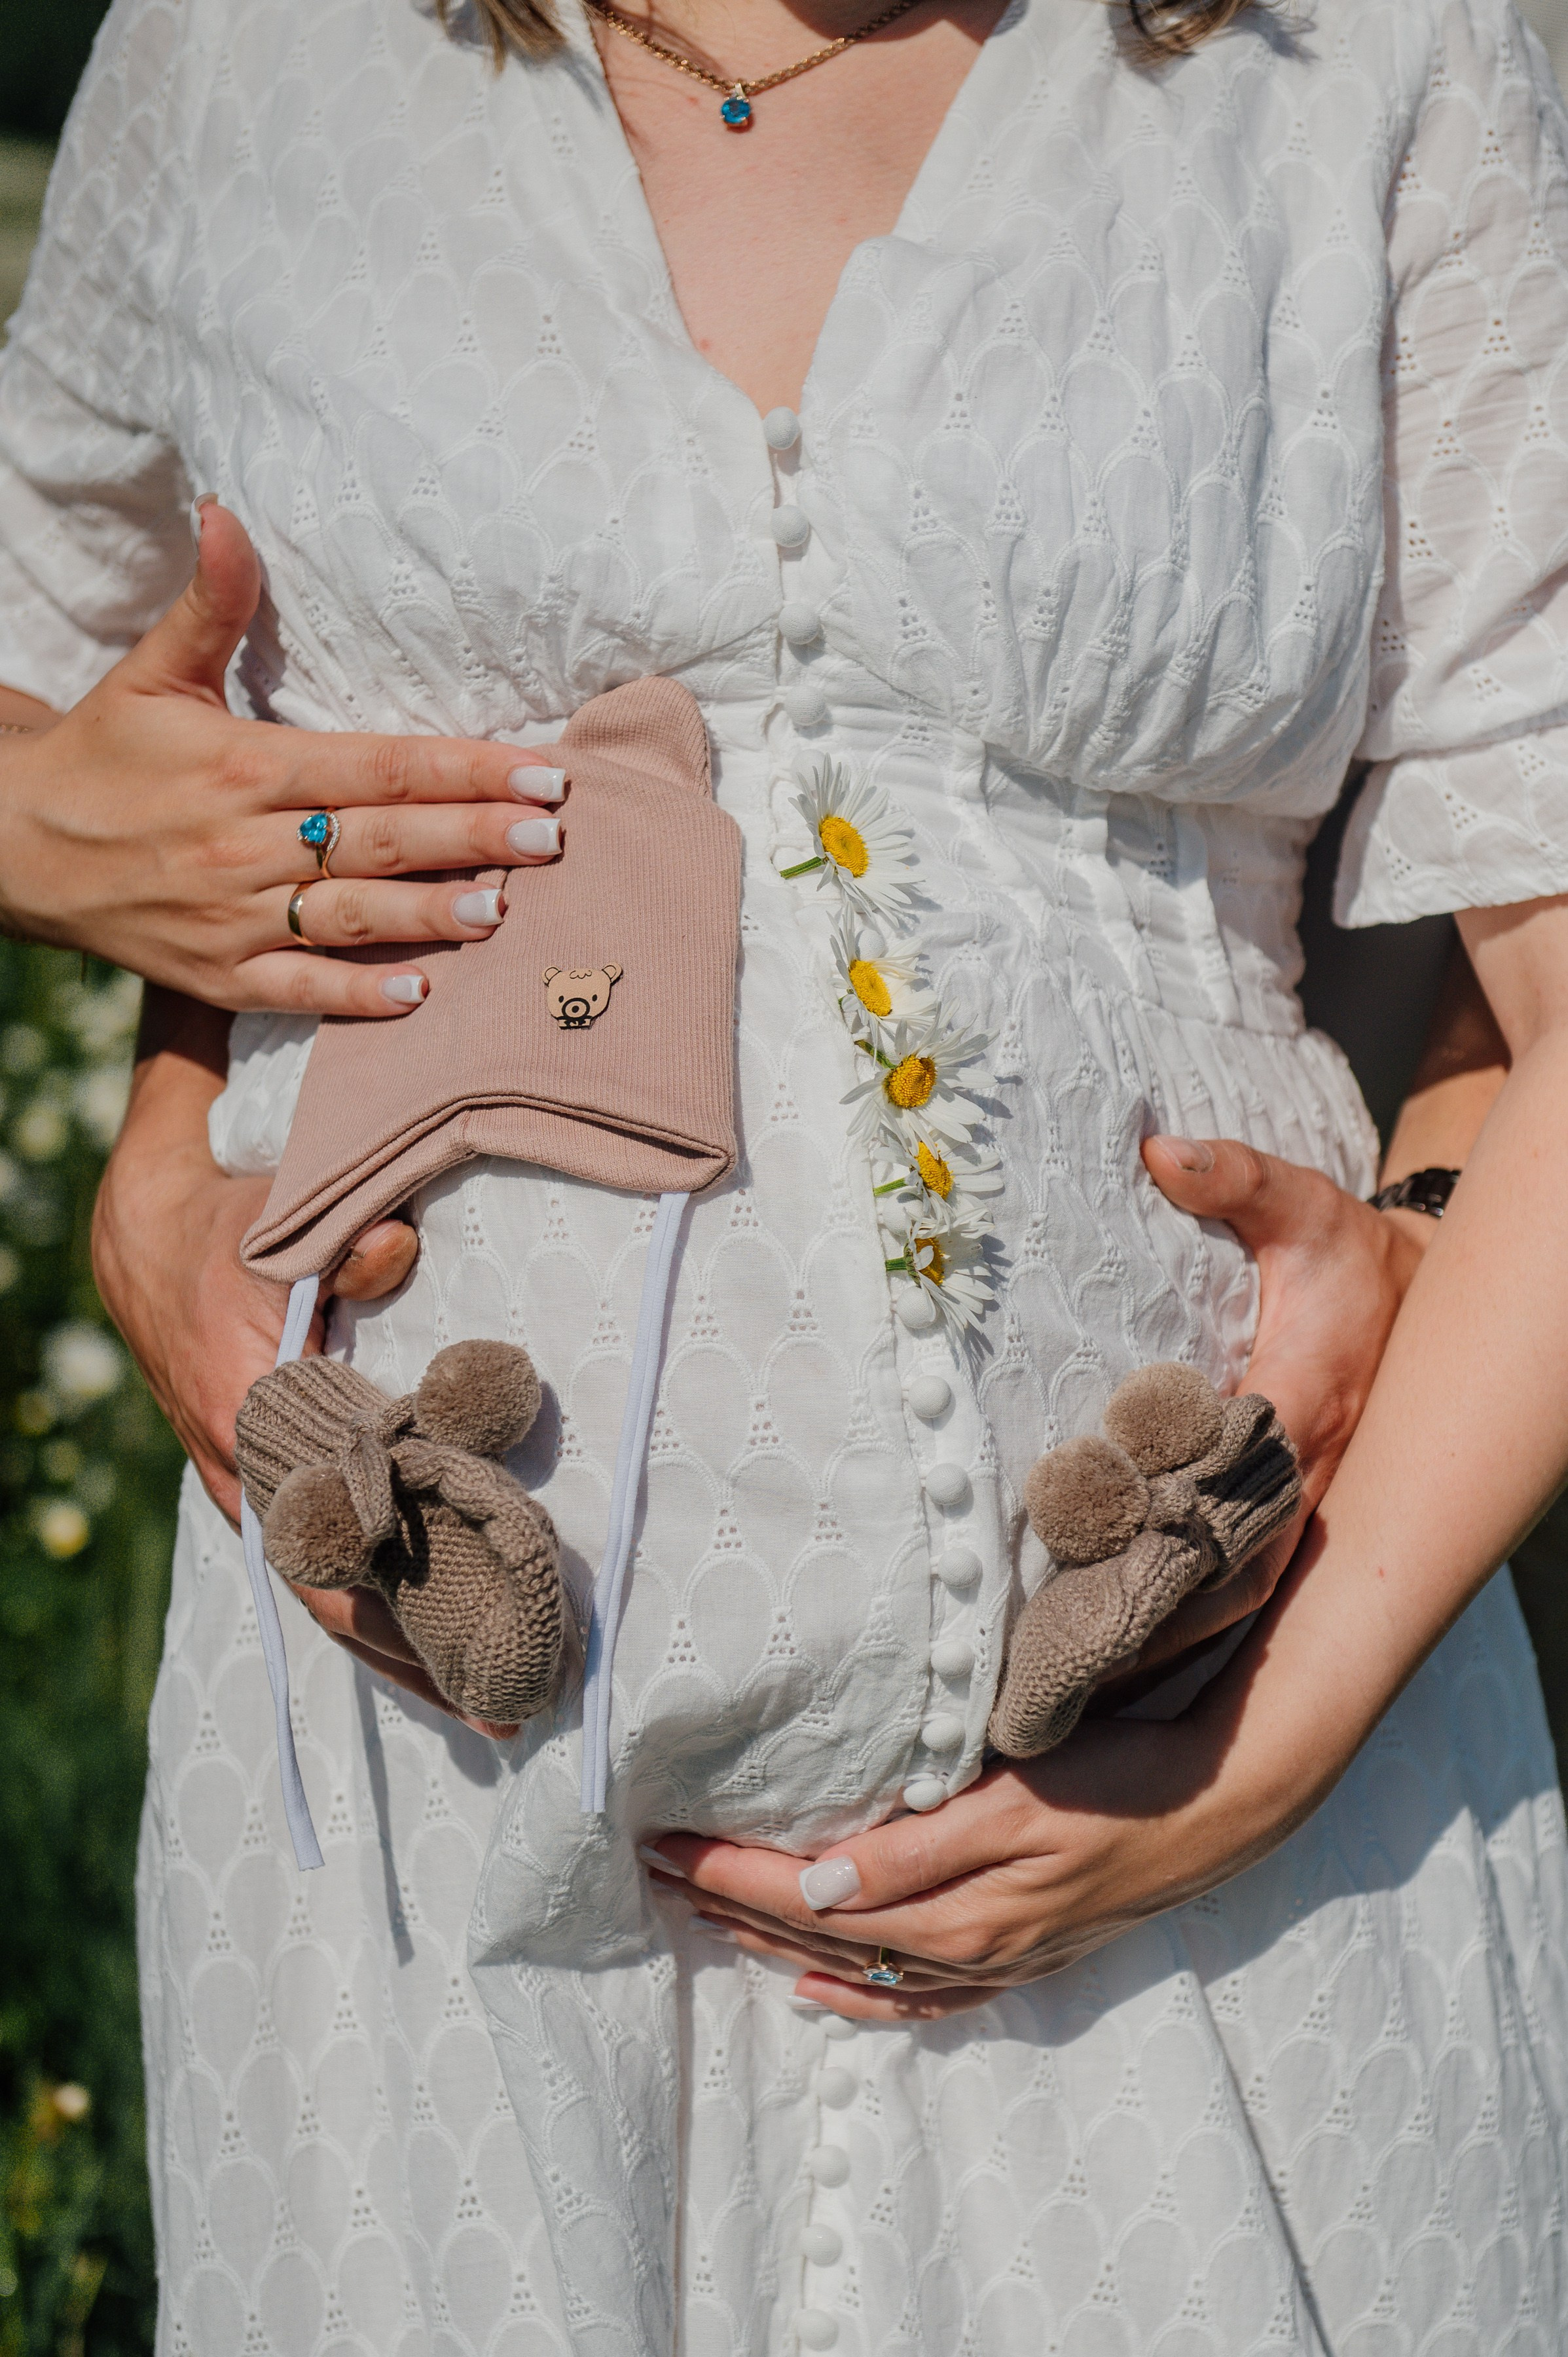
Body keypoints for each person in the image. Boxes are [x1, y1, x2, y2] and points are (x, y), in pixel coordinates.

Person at [3, 0, 1567, 2349]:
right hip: (448, 1810)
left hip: (1225, 1802)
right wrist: (104, 1006)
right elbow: (65, 675)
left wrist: (1270, 1744)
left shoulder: (1371, 48)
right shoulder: (247, 54)